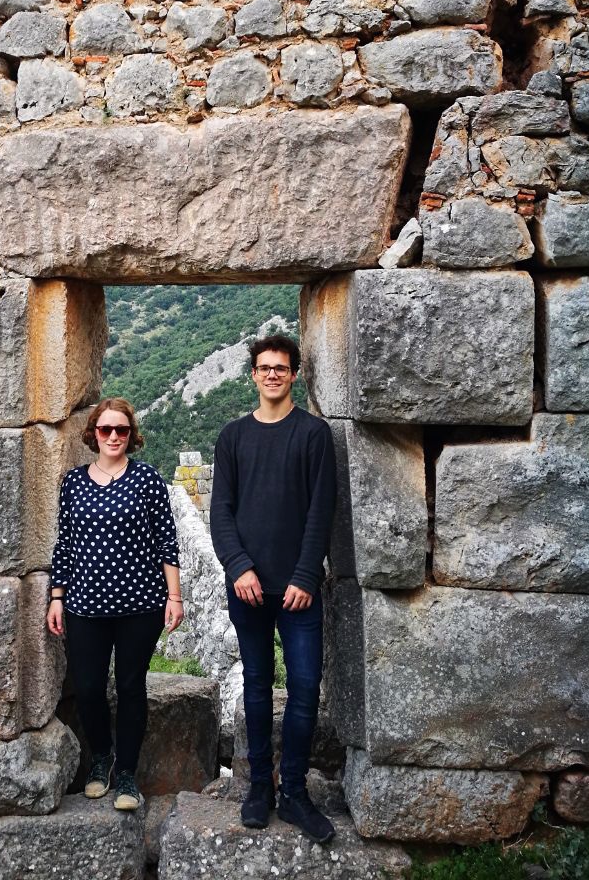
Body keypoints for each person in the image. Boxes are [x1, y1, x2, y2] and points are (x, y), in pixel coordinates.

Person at [210, 333, 337, 842]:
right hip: (247, 590)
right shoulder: (233, 437)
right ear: (253, 374)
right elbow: (221, 512)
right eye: (264, 367)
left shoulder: (313, 435)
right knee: (257, 687)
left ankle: (296, 793)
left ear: (294, 374)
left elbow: (320, 510)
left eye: (281, 368)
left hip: (297, 590)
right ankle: (260, 786)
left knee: (305, 687)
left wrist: (306, 575)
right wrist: (238, 567)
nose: (272, 375)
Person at [47, 397, 183, 812]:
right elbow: (64, 544)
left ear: (131, 435)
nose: (113, 437)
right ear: (93, 434)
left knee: (130, 686)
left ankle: (126, 772)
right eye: (105, 430)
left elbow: (166, 541)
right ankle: (100, 758)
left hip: (140, 605)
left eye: (121, 430)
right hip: (84, 606)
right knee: (87, 687)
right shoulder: (73, 483)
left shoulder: (147, 480)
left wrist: (174, 596)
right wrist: (57, 597)